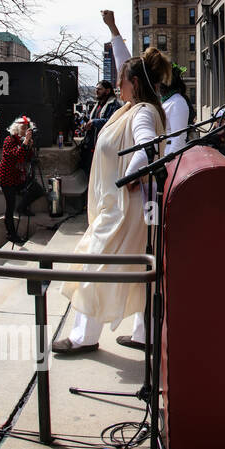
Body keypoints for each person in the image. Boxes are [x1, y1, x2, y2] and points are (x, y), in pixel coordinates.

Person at [60, 48, 166, 354]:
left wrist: (130, 176)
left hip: (124, 208)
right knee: (137, 272)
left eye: (120, 81)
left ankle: (84, 337)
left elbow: (148, 145)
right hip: (124, 206)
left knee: (92, 267)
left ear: (133, 82)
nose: (116, 85)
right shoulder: (131, 108)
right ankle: (144, 335)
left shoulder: (142, 112)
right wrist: (113, 30)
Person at [0, 117, 36, 245]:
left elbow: (27, 158)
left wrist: (29, 146)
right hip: (7, 179)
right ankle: (11, 233)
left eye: (26, 128)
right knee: (10, 207)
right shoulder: (9, 140)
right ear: (17, 128)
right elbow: (16, 156)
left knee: (36, 189)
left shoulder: (22, 141)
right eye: (23, 128)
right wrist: (25, 143)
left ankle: (22, 207)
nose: (25, 130)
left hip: (18, 177)